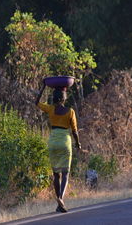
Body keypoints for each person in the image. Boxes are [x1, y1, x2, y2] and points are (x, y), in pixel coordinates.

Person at [35, 82, 81, 213]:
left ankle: (59, 204)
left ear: (54, 98)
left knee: (56, 174)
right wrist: (78, 143)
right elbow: (75, 131)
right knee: (65, 173)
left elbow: (36, 102)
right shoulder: (70, 112)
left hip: (53, 142)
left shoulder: (50, 109)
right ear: (64, 98)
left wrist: (43, 87)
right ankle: (60, 198)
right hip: (65, 142)